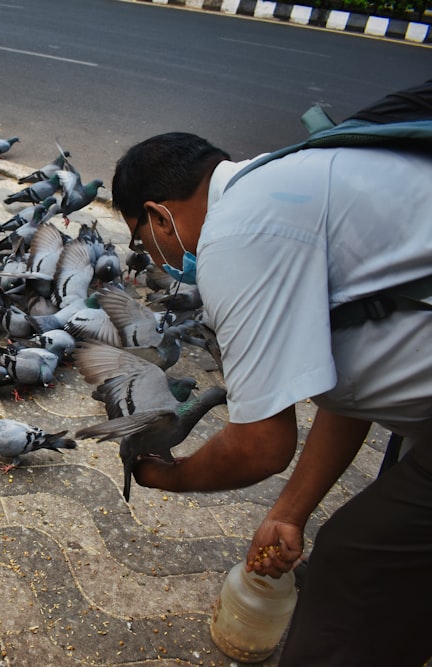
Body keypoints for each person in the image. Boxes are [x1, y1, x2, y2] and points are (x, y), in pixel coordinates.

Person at [110, 86, 432, 665]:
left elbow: (261, 444)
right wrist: (289, 512)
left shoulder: (235, 236)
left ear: (159, 217)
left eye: (142, 242)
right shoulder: (280, 182)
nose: (153, 262)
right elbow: (351, 385)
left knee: (354, 567)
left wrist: (175, 477)